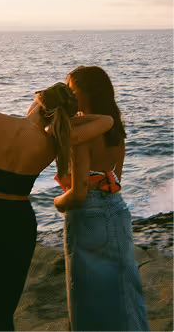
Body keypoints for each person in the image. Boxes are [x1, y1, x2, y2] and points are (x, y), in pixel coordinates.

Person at [0, 81, 113, 331]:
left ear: (37, 101)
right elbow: (107, 121)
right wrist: (71, 119)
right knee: (4, 305)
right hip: (19, 223)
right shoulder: (56, 141)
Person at [54, 66, 150, 332]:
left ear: (88, 93)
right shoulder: (114, 127)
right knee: (125, 292)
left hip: (89, 214)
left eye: (72, 91)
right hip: (116, 209)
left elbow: (79, 192)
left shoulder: (84, 134)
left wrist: (58, 202)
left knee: (89, 298)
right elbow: (115, 178)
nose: (70, 97)